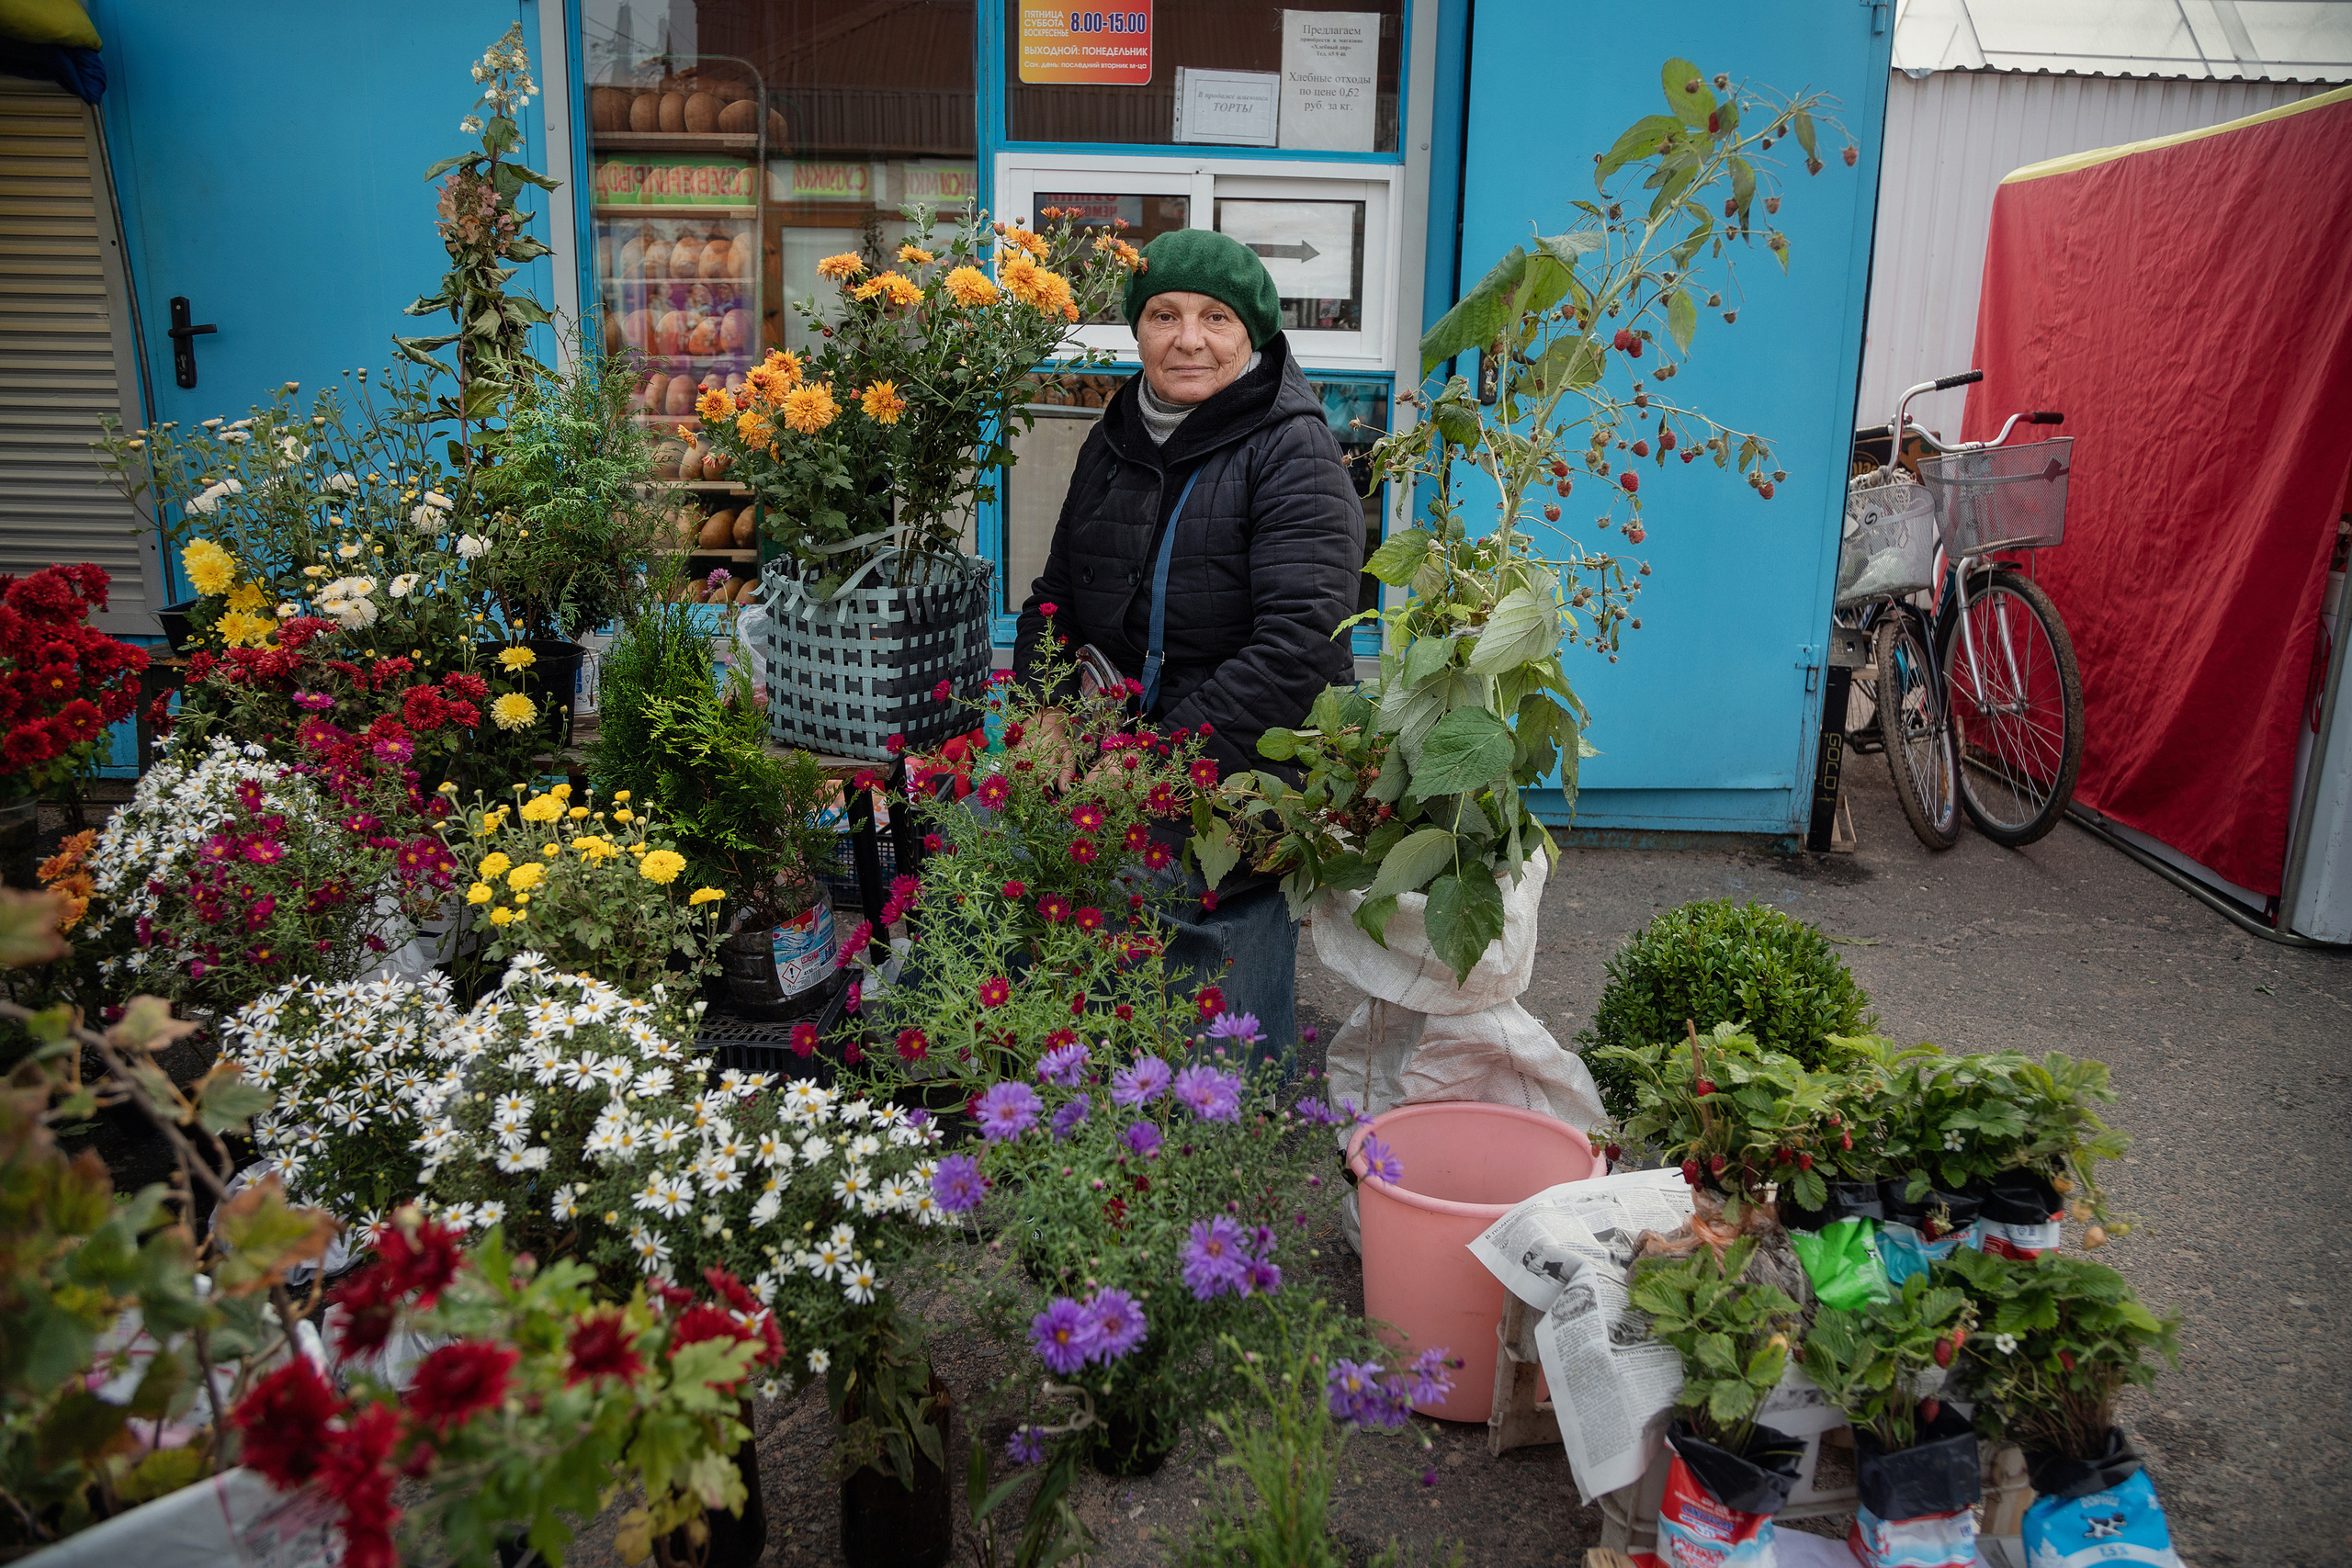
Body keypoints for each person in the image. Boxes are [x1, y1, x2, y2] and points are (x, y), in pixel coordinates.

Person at [1011, 228, 1364, 1071]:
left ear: (1254, 333)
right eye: (1164, 315)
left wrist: (1154, 763)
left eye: (1216, 317)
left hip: (1246, 764)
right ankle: (1059, 1080)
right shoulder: (1117, 437)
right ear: (1137, 329)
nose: (1189, 339)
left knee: (1131, 876)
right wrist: (1046, 710)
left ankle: (1207, 1102)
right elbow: (1053, 598)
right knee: (995, 845)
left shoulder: (1293, 448)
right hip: (1118, 741)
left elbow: (1299, 650)